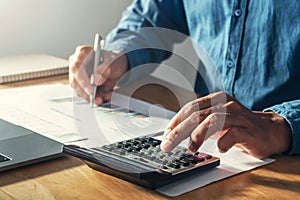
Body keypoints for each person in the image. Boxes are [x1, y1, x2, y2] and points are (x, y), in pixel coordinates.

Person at [69, 0, 300, 159]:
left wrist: (281, 126)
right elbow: (151, 15)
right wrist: (118, 55)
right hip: (210, 145)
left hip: (286, 160)